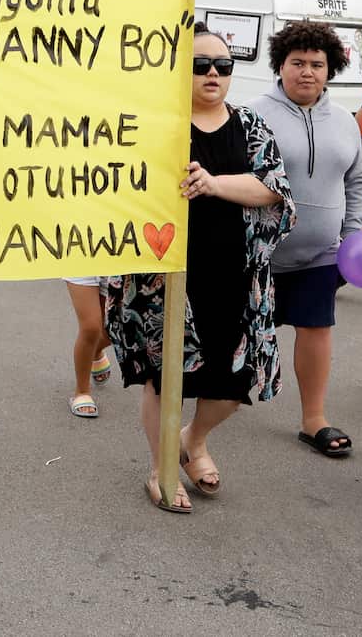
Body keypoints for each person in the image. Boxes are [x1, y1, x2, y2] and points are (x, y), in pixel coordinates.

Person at [106, 25, 294, 513]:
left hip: (235, 274)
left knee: (233, 385)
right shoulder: (157, 123)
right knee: (164, 378)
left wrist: (213, 184)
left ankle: (193, 438)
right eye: (201, 64)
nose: (213, 73)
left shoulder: (250, 125)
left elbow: (274, 188)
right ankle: (161, 466)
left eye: (223, 65)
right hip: (164, 275)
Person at [248, 22, 362, 458]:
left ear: (329, 69)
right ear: (280, 65)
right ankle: (208, 405)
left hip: (322, 252)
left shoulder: (344, 122)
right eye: (297, 62)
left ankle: (313, 418)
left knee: (316, 328)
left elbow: (356, 180)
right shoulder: (253, 113)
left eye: (317, 64)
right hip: (259, 253)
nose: (307, 72)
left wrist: (352, 234)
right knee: (235, 333)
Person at [62, 276, 113, 418]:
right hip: (82, 261)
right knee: (91, 328)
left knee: (113, 329)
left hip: (117, 263)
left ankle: (94, 352)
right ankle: (82, 392)